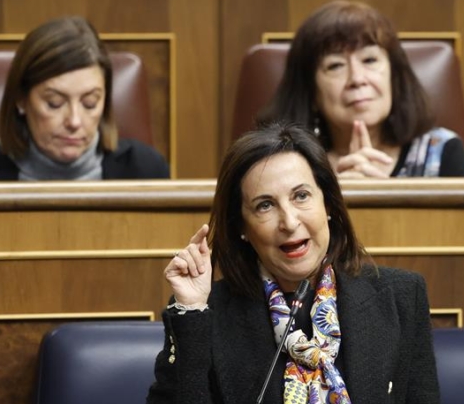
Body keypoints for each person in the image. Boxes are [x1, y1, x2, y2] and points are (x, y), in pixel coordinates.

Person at [147, 123, 439, 404]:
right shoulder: (209, 314)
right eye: (265, 205)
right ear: (242, 228)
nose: (289, 221)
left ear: (328, 205)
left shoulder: (401, 296)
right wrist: (192, 310)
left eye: (301, 196)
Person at [258, 0, 464, 178]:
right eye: (335, 65)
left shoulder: (441, 151)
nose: (357, 79)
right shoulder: (283, 164)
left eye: (369, 60)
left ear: (393, 77)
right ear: (310, 91)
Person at [0, 16, 169, 180]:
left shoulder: (145, 170)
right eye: (54, 103)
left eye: (90, 103)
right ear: (21, 99)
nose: (74, 121)